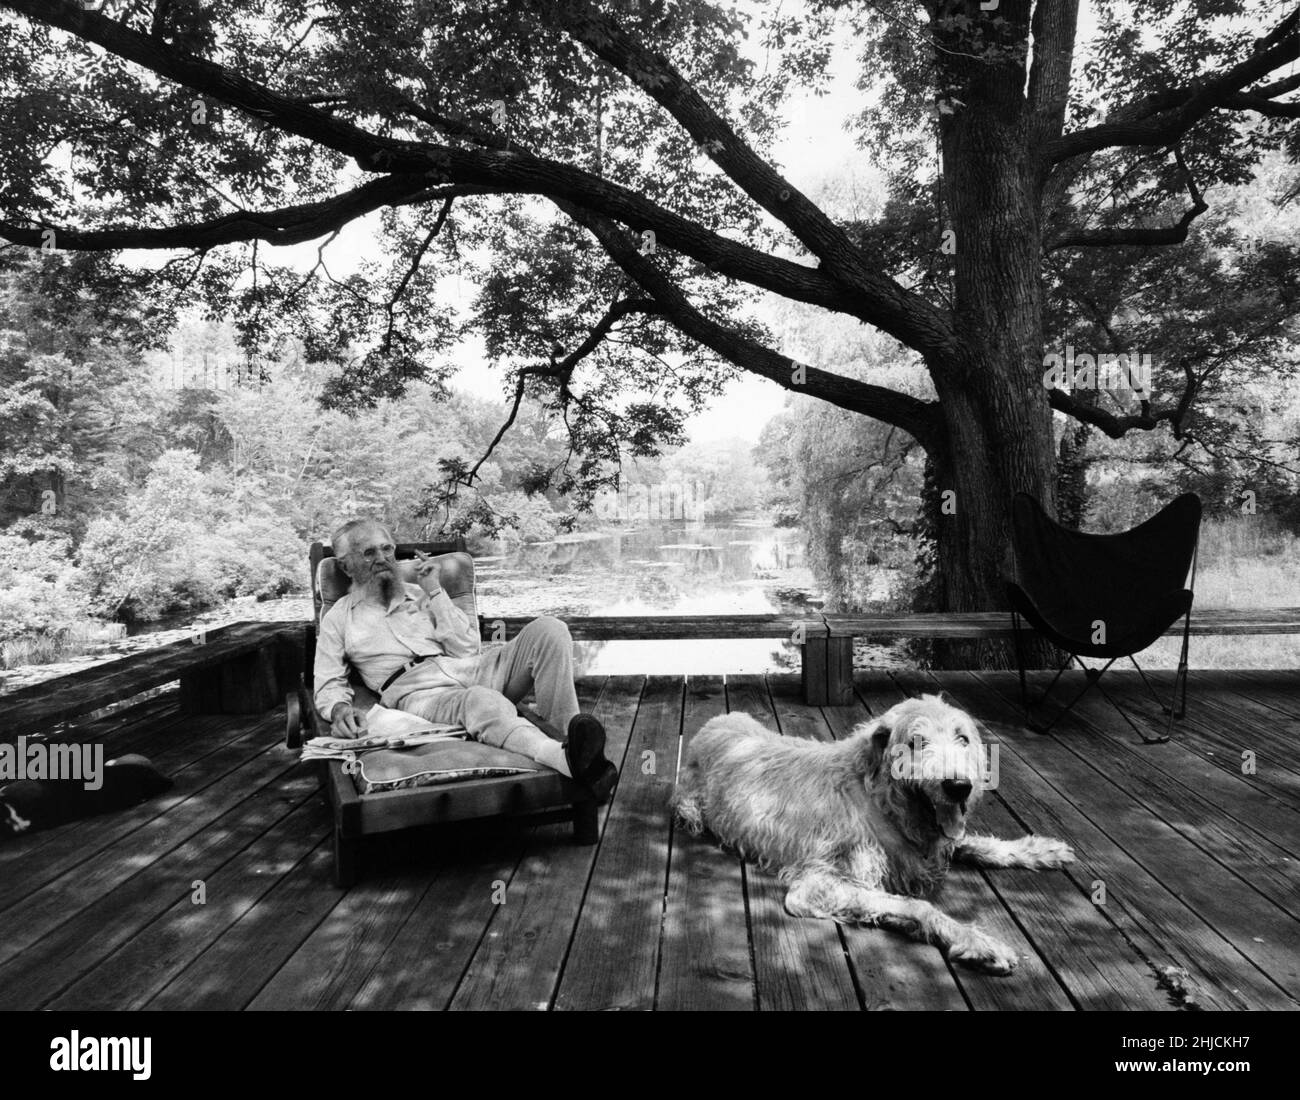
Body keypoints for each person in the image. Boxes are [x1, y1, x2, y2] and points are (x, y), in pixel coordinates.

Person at [313, 518, 616, 799]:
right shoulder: (339, 618)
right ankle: (565, 759)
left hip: (470, 666)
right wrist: (340, 709)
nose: (382, 558)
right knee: (480, 700)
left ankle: (570, 740)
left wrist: (435, 592)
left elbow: (468, 648)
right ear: (347, 566)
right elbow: (328, 682)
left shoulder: (420, 593)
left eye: (387, 548)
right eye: (368, 552)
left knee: (550, 629)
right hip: (419, 693)